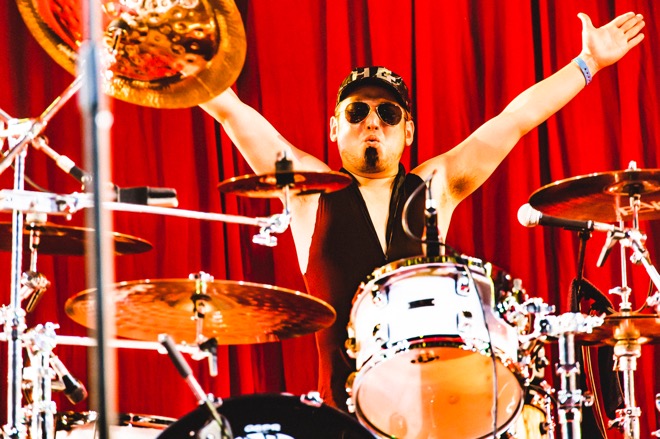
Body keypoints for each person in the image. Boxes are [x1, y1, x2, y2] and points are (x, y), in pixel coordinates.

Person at [201, 11, 645, 414]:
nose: (372, 122)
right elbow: (230, 111)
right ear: (334, 127)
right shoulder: (307, 190)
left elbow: (515, 120)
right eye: (357, 111)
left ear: (408, 131)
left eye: (388, 113)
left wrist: (587, 63)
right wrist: (175, 54)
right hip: (340, 421)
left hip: (432, 415)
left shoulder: (436, 185)